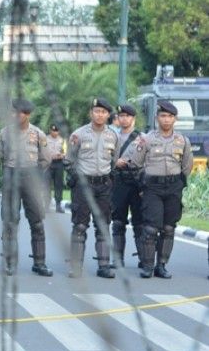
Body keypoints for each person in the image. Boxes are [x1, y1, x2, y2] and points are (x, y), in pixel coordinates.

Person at [128, 100, 193, 278]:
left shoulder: (183, 141)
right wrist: (143, 186)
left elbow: (187, 165)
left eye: (170, 116)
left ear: (175, 119)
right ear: (157, 118)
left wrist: (179, 184)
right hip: (152, 188)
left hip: (173, 188)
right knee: (150, 228)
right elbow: (135, 164)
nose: (166, 119)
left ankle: (161, 265)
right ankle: (148, 265)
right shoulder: (147, 139)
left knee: (168, 228)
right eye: (163, 116)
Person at [65, 98, 118, 278]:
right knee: (80, 225)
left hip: (104, 186)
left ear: (108, 115)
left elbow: (114, 161)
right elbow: (69, 161)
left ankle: (104, 266)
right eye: (96, 111)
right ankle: (76, 266)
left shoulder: (113, 136)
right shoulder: (78, 135)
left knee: (103, 225)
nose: (100, 115)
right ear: (91, 113)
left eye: (103, 112)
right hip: (83, 186)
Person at [0, 99, 53, 277]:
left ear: (27, 115)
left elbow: (46, 159)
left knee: (36, 222)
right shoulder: (4, 133)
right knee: (10, 223)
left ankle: (39, 263)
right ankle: (10, 263)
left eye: (19, 113)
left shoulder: (38, 134)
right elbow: (1, 156)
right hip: (11, 176)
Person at [110, 104, 144, 268]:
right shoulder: (111, 137)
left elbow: (150, 161)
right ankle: (117, 259)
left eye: (127, 116)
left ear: (133, 118)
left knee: (140, 223)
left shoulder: (144, 138)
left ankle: (145, 259)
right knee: (117, 222)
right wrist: (114, 162)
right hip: (119, 182)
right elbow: (102, 158)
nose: (124, 118)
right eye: (121, 115)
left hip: (137, 183)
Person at [45, 124, 65, 213]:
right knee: (46, 185)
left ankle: (58, 205)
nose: (55, 132)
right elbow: (42, 150)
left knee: (58, 185)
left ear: (59, 132)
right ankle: (46, 205)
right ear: (50, 130)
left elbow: (65, 152)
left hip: (59, 164)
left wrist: (61, 155)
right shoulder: (45, 139)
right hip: (48, 164)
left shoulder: (62, 140)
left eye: (56, 131)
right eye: (53, 131)